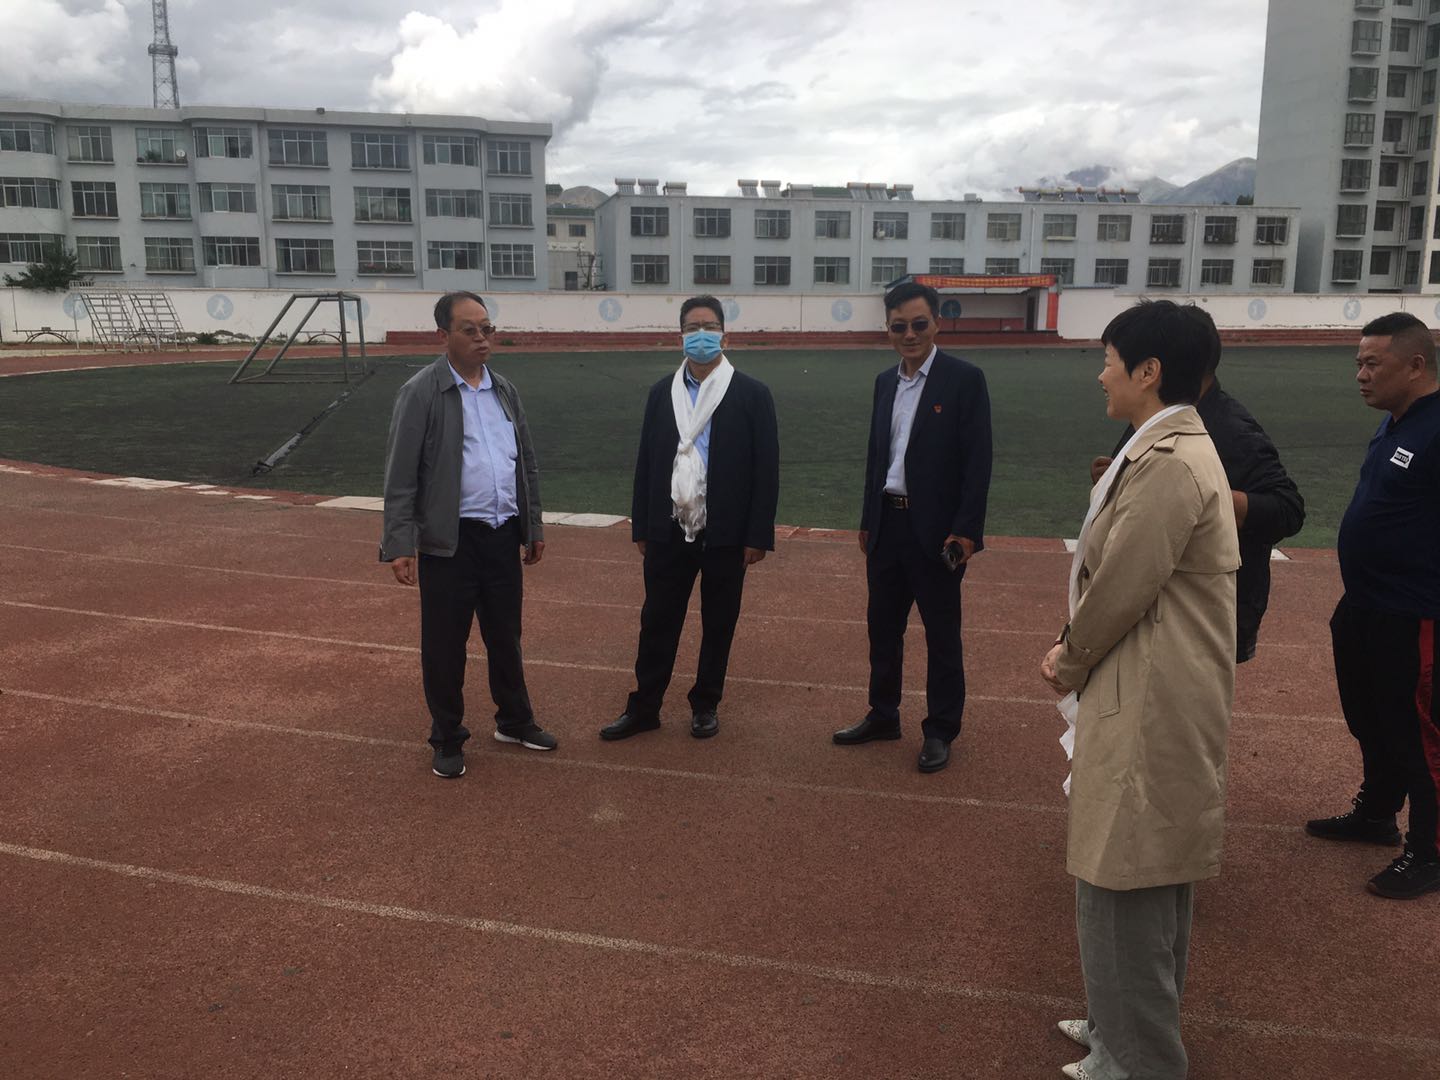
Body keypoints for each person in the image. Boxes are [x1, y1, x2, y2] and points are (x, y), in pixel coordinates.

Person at [1040, 299, 1239, 1080]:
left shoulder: (1172, 463)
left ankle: (1139, 1059)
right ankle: (1117, 1028)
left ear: (1148, 372)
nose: (1102, 376)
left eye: (1110, 361)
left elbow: (1121, 584)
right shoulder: (1161, 448)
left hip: (1150, 689)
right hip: (1149, 680)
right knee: (1134, 875)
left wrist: (1067, 658)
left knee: (1126, 878)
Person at [380, 291, 554, 779]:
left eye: (487, 329)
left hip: (501, 535)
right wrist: (399, 543)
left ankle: (514, 721)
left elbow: (526, 463)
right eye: (470, 330)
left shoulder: (505, 391)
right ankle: (447, 737)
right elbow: (400, 475)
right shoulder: (421, 392)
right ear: (444, 335)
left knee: (506, 637)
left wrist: (532, 524)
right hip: (449, 543)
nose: (482, 339)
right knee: (444, 646)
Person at [1305, 311, 1440, 901]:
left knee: (1418, 734)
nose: (1360, 375)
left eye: (1372, 364)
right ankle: (1377, 813)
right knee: (1371, 718)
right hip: (1365, 605)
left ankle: (1430, 852)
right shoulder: (1394, 423)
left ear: (1415, 365)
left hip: (1414, 611)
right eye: (1358, 363)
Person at [601, 295, 779, 742]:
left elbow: (766, 468)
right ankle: (644, 707)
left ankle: (705, 704)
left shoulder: (752, 394)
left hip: (726, 531)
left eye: (710, 326)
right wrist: (642, 525)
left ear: (725, 335)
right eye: (693, 327)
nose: (701, 335)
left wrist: (757, 534)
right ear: (680, 335)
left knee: (719, 622)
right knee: (657, 620)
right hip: (668, 526)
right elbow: (647, 461)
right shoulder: (662, 393)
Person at [834, 280, 992, 774]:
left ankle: (940, 729)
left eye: (919, 324)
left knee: (942, 636)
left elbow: (978, 462)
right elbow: (877, 456)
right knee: (883, 629)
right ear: (887, 329)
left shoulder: (964, 380)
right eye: (898, 326)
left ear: (937, 324)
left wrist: (966, 532)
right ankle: (883, 714)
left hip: (938, 534)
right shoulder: (885, 382)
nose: (909, 335)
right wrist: (868, 519)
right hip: (888, 524)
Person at [1089, 304, 1304, 663]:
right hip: (1162, 604)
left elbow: (1288, 509)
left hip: (1203, 614)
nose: (1102, 375)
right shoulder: (1156, 416)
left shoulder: (1231, 429)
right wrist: (1119, 477)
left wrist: (1201, 495)